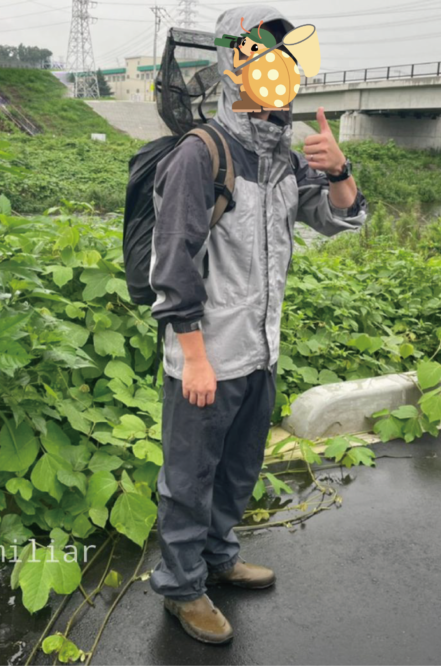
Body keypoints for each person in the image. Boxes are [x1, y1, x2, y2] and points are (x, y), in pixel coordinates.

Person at [147, 5, 368, 645]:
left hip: (258, 353)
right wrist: (192, 354)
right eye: (263, 56)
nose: (281, 69)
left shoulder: (281, 158)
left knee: (239, 469)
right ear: (231, 64)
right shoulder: (202, 154)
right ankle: (183, 588)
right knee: (189, 478)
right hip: (206, 355)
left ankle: (218, 558)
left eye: (287, 57)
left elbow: (337, 219)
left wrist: (340, 171)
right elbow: (174, 260)